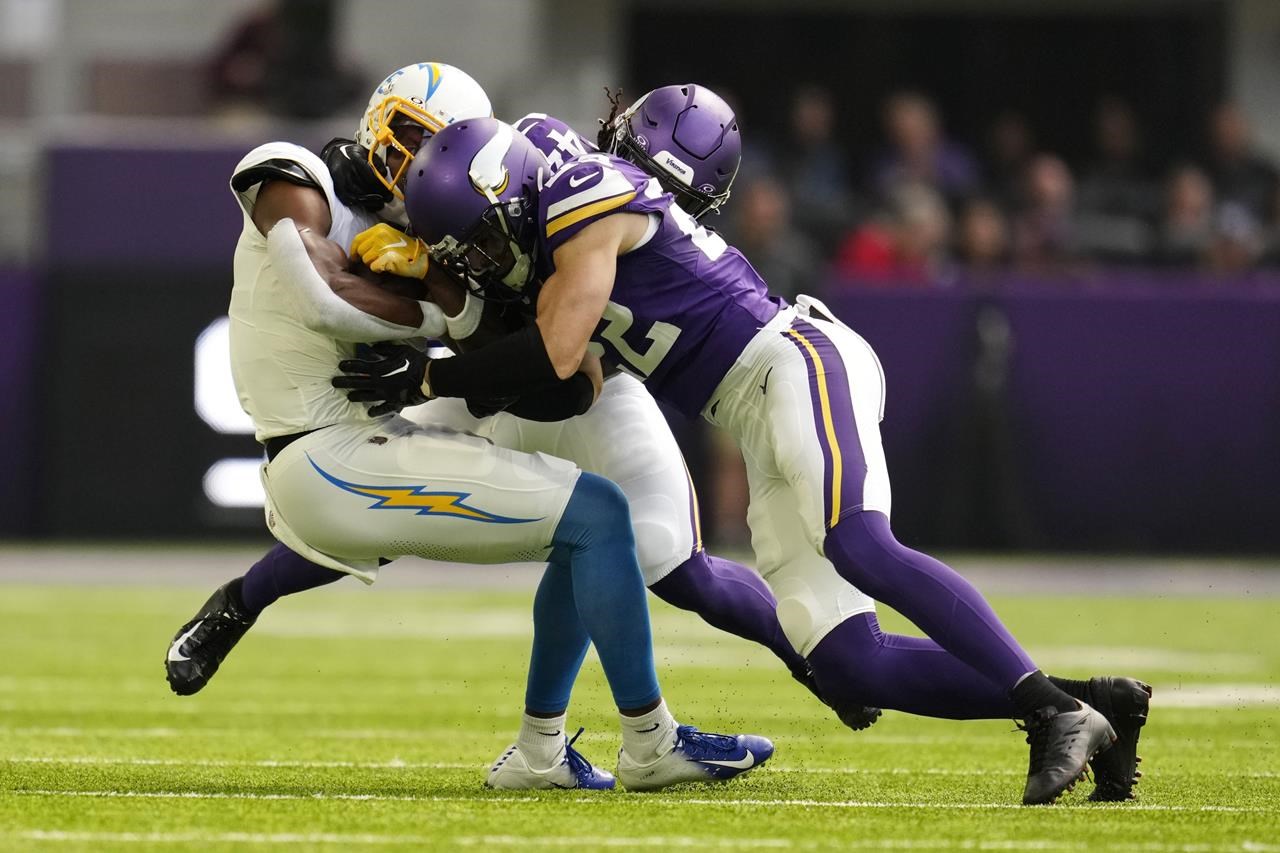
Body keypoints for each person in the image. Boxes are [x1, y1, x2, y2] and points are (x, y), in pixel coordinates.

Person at [337, 115, 1153, 805]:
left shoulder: (579, 198)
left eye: (480, 235)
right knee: (847, 661)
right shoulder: (536, 221)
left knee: (858, 543)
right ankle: (1091, 702)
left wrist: (430, 373)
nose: (479, 255)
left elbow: (553, 352)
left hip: (791, 360)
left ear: (505, 191)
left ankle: (1051, 711)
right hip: (750, 413)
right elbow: (573, 381)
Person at [167, 78, 881, 738]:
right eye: (418, 144)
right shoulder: (449, 189)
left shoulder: (549, 194)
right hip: (484, 381)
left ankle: (806, 659)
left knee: (671, 557)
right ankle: (240, 601)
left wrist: (433, 328)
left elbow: (568, 376)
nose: (425, 166)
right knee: (372, 502)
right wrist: (433, 318)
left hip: (574, 380)